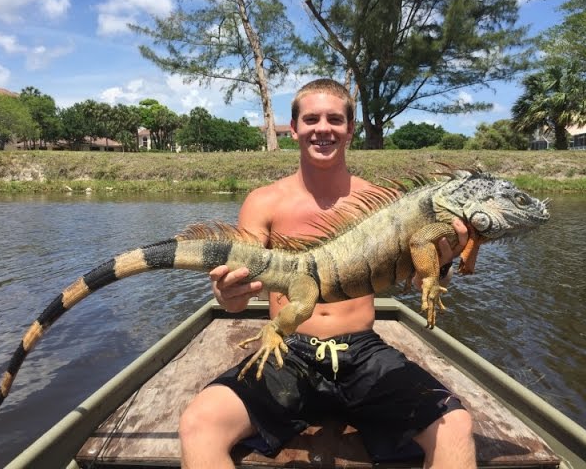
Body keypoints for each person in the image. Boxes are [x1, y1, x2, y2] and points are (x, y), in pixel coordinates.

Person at [178, 78, 476, 468]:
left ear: (350, 129)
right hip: (287, 352)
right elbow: (244, 280)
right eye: (311, 118)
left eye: (335, 119)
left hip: (364, 352)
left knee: (454, 425)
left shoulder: (384, 204)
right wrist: (227, 294)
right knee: (198, 425)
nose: (323, 128)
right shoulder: (264, 201)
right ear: (295, 127)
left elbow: (422, 281)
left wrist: (444, 263)